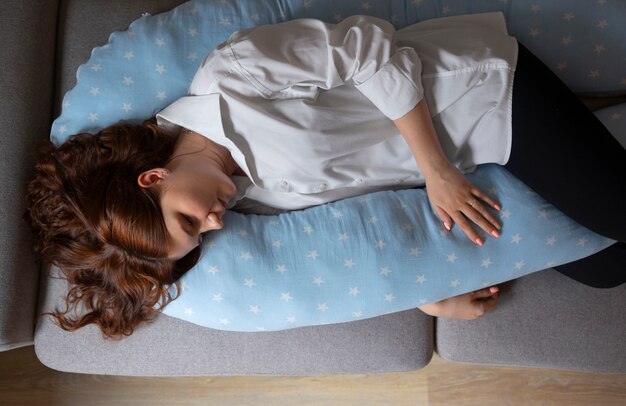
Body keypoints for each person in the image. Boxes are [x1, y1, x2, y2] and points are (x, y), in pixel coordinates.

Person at [25, 13, 625, 339]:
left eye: (190, 219)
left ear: (152, 177)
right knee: (607, 268)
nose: (214, 223)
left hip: (485, 92)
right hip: (482, 159)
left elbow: (369, 47)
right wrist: (429, 293)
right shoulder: (248, 201)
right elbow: (362, 224)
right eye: (200, 237)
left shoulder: (232, 76)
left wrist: (435, 169)